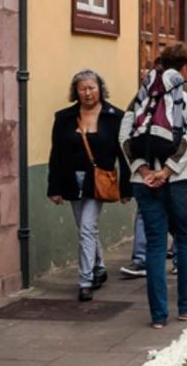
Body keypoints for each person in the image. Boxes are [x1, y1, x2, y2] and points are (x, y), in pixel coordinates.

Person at [120, 43, 187, 328]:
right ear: (185, 68)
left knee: (155, 245)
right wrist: (168, 171)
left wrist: (144, 169)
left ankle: (158, 316)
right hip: (181, 178)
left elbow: (124, 135)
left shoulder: (143, 92)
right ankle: (185, 306)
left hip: (143, 180)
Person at [47, 70, 131, 302]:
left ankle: (85, 281)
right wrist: (53, 188)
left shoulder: (115, 117)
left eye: (91, 88)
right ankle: (99, 267)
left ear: (100, 89)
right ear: (75, 91)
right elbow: (56, 154)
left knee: (86, 229)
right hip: (71, 180)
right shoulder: (64, 117)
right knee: (86, 230)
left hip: (99, 181)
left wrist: (126, 188)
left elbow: (124, 155)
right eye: (82, 88)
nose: (87, 93)